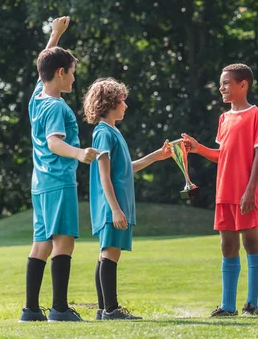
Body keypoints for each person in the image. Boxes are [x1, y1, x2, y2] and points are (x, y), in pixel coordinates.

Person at [20, 16, 100, 322]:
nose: (74, 79)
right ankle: (60, 309)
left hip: (40, 183)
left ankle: (30, 310)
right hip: (58, 180)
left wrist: (55, 35)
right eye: (72, 74)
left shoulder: (37, 100)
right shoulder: (56, 106)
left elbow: (44, 68)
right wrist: (79, 153)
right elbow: (55, 143)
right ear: (61, 73)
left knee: (41, 243)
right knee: (63, 240)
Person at [182, 63, 258, 317]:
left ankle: (252, 304)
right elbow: (223, 155)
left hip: (245, 191)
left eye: (227, 83)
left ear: (244, 85)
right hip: (224, 192)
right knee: (227, 245)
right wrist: (198, 148)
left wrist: (251, 190)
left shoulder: (256, 115)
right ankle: (228, 306)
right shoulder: (224, 118)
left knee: (250, 240)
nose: (222, 87)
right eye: (221, 83)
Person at [83, 77, 171, 320]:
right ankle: (111, 309)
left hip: (116, 205)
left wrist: (155, 156)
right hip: (112, 206)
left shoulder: (112, 132)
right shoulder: (103, 133)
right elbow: (104, 176)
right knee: (110, 253)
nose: (126, 106)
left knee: (107, 253)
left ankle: (104, 310)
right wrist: (115, 209)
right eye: (122, 100)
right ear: (110, 103)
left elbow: (124, 168)